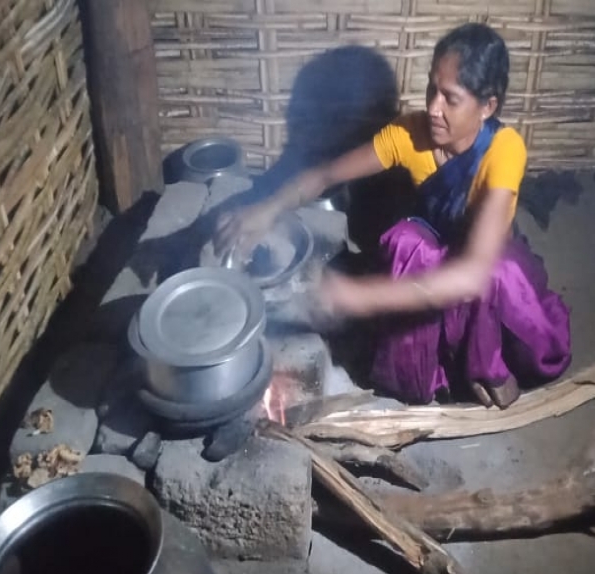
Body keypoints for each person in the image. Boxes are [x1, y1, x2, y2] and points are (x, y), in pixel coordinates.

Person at [214, 23, 572, 407]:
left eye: (451, 99)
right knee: (406, 241)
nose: (433, 108)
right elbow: (325, 175)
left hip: (486, 277)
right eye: (432, 88)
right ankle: (439, 369)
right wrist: (266, 209)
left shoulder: (505, 150)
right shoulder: (409, 134)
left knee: (497, 276)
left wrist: (358, 296)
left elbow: (472, 275)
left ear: (487, 106)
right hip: (439, 264)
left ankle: (487, 360)